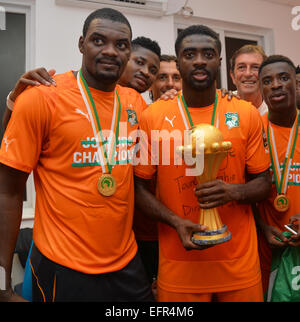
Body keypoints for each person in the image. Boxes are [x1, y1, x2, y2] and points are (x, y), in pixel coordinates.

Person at [0, 8, 154, 302]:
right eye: (99, 41)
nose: (110, 51)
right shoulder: (43, 97)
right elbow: (7, 192)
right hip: (63, 266)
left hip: (126, 264)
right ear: (82, 44)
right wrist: (1, 283)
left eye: (121, 45)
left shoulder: (135, 103)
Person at [134, 24, 271, 302]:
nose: (198, 60)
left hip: (238, 264)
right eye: (189, 54)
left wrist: (234, 192)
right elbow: (138, 189)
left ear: (220, 61)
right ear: (178, 59)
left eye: (207, 53)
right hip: (179, 264)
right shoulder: (152, 116)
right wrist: (175, 221)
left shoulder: (244, 113)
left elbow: (265, 182)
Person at [256, 55, 300, 294]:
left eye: (284, 78)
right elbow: (243, 190)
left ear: (296, 83)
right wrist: (262, 226)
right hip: (265, 248)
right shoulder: (252, 129)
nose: (276, 85)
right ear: (261, 88)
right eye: (267, 80)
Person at [230, 44, 268, 116]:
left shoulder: (275, 113)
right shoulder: (221, 106)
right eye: (241, 67)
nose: (248, 74)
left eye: (255, 67)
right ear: (232, 76)